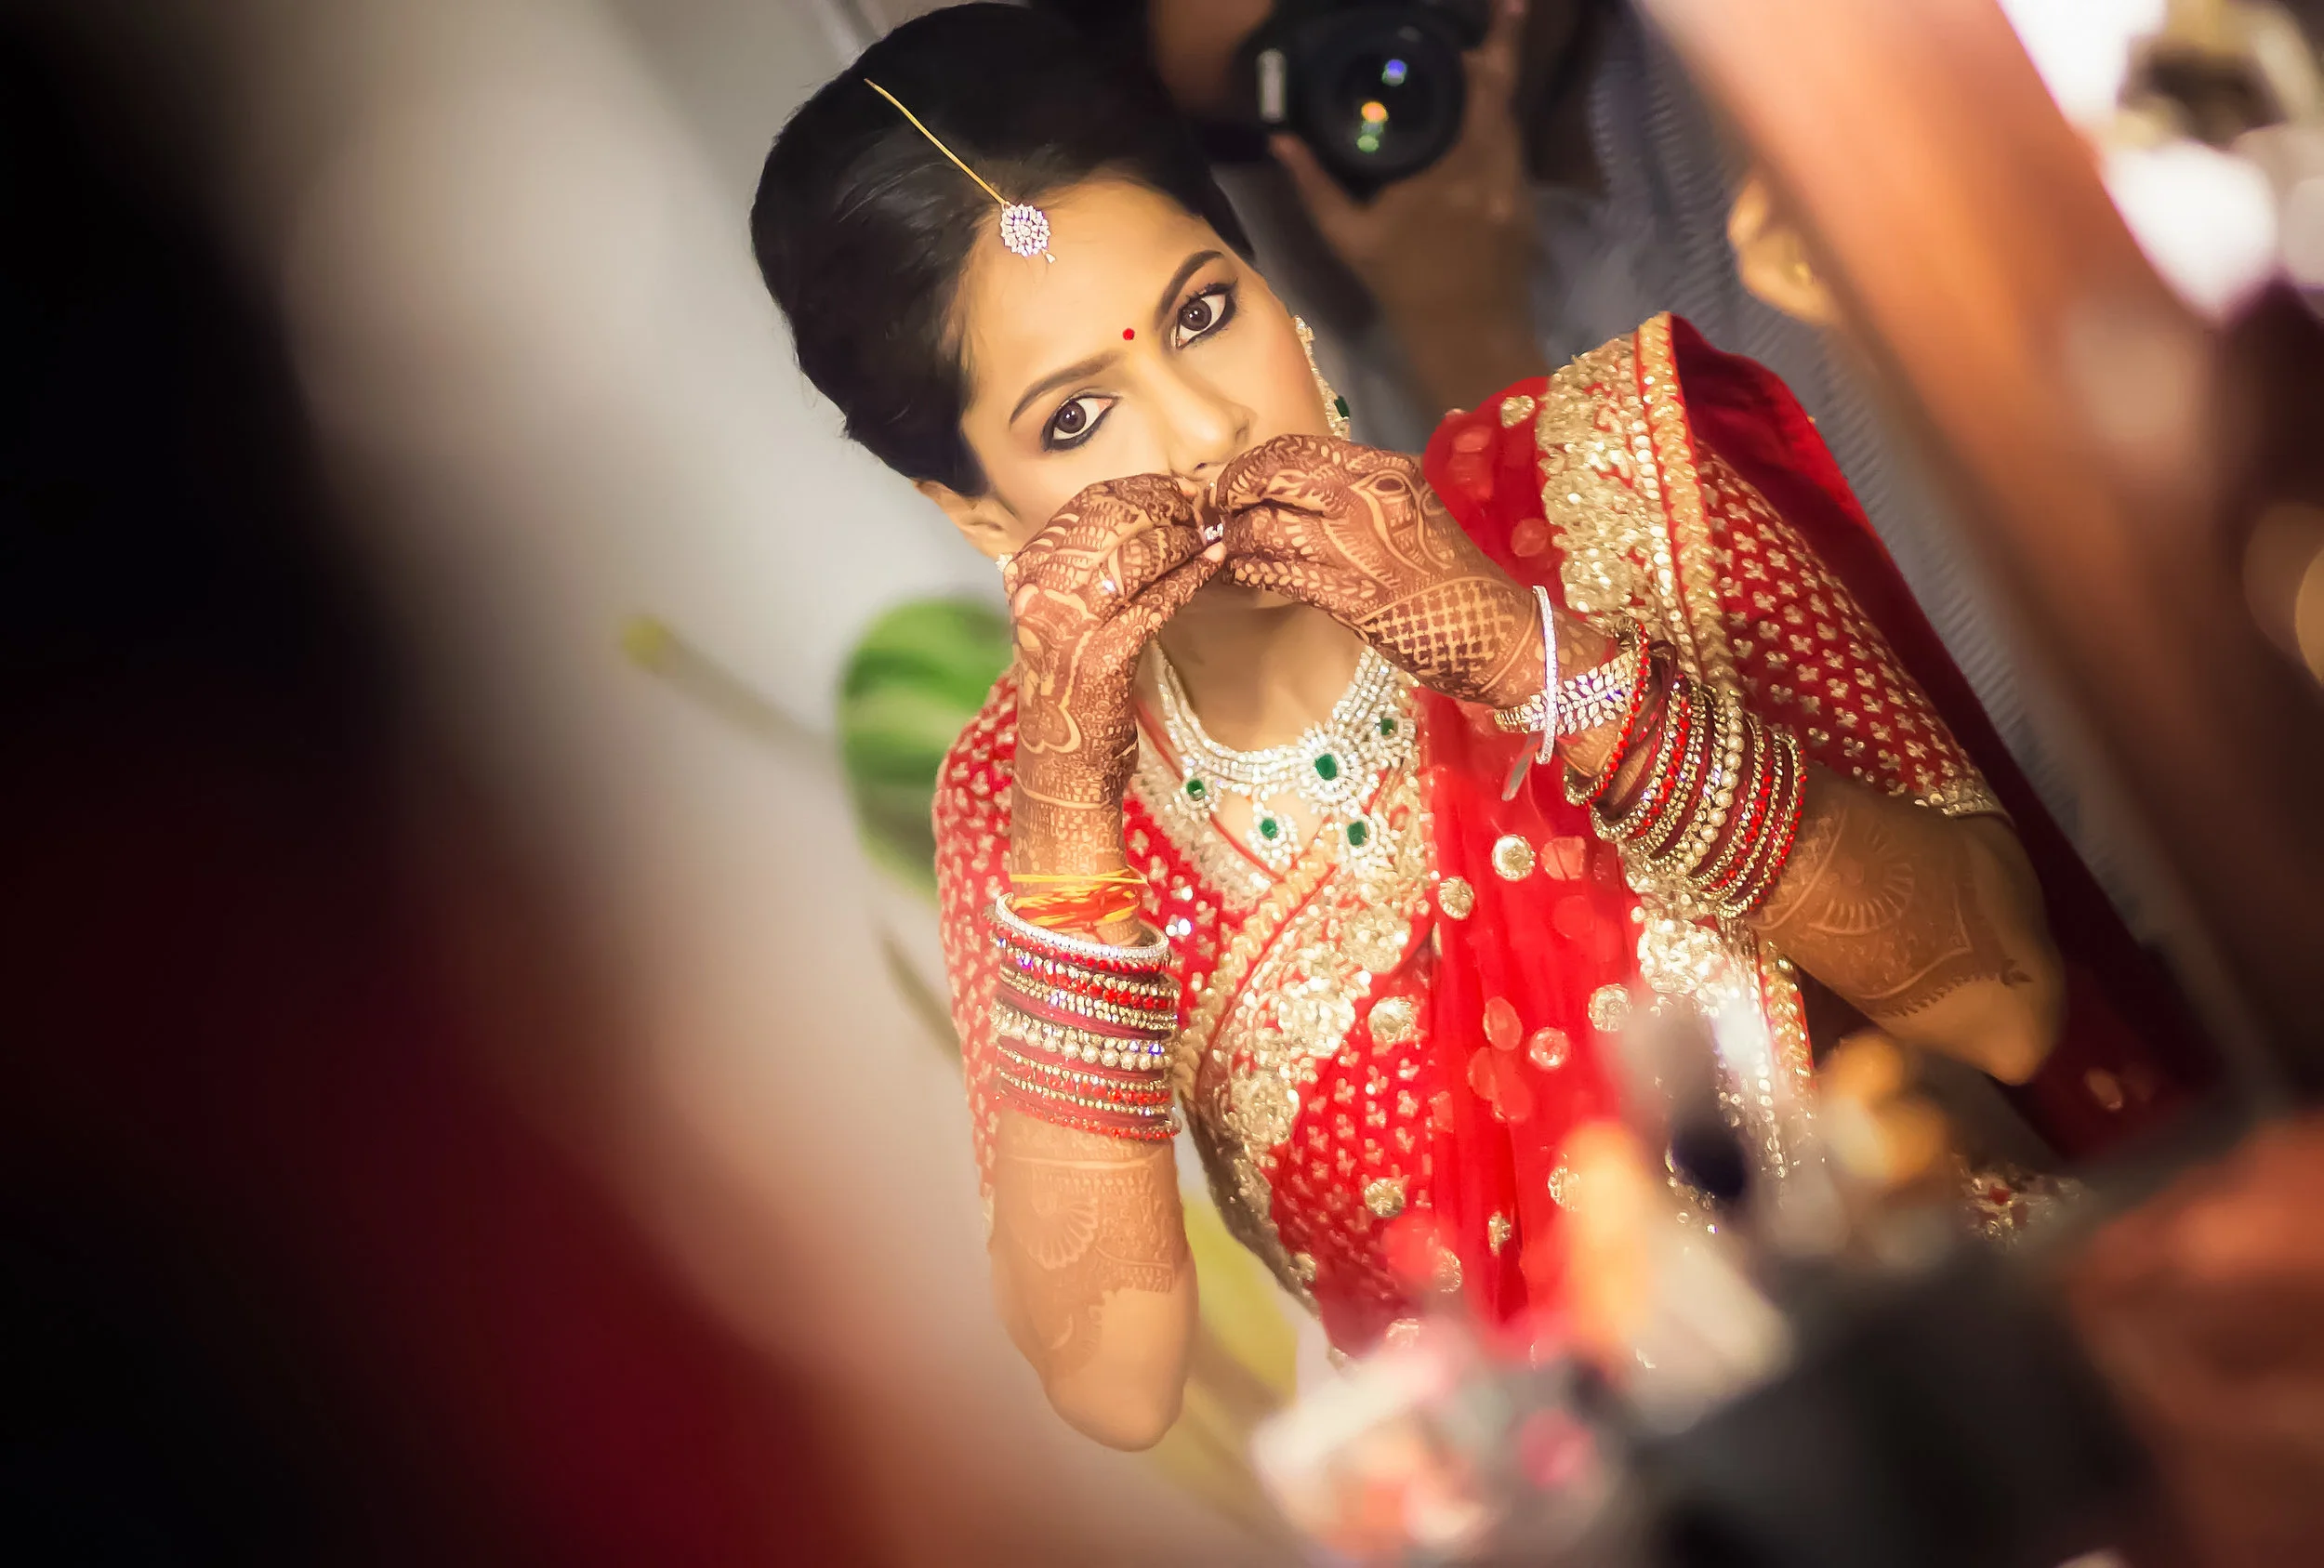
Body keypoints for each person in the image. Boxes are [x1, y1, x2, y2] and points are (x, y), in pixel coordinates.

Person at [751, 5, 2210, 1449]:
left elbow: (2005, 998)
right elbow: (1113, 1380)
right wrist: (1071, 803)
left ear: (1271, 283)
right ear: (972, 507)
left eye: (1205, 312)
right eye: (1078, 419)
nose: (1203, 428)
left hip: (2005, 1403)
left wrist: (1533, 658)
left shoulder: (1608, 467)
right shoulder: (1021, 801)